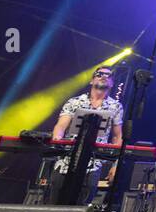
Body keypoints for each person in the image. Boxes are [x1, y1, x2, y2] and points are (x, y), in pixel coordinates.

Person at [47, 65, 124, 203]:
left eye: (108, 75)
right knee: (55, 207)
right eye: (99, 74)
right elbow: (60, 126)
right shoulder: (75, 102)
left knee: (80, 209)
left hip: (92, 166)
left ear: (112, 83)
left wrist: (115, 165)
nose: (104, 77)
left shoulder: (116, 106)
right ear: (91, 80)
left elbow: (117, 136)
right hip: (65, 162)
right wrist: (57, 139)